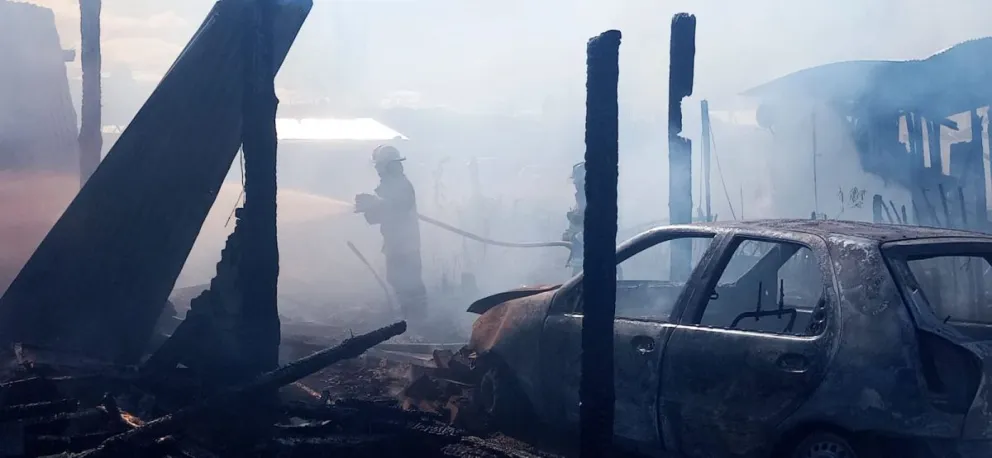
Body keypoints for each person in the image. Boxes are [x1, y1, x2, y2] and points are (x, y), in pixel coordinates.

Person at [354, 145, 428, 320]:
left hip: (405, 245)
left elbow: (400, 206)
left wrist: (376, 202)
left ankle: (417, 319)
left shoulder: (402, 185)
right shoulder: (388, 185)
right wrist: (368, 207)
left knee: (408, 282)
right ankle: (410, 317)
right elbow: (376, 217)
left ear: (388, 165)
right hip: (395, 243)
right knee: (396, 279)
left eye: (379, 166)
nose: (377, 170)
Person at [562, 161, 586, 275]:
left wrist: (575, 238)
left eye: (578, 183)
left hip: (587, 259)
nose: (576, 186)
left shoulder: (593, 198)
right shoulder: (582, 197)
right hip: (581, 257)